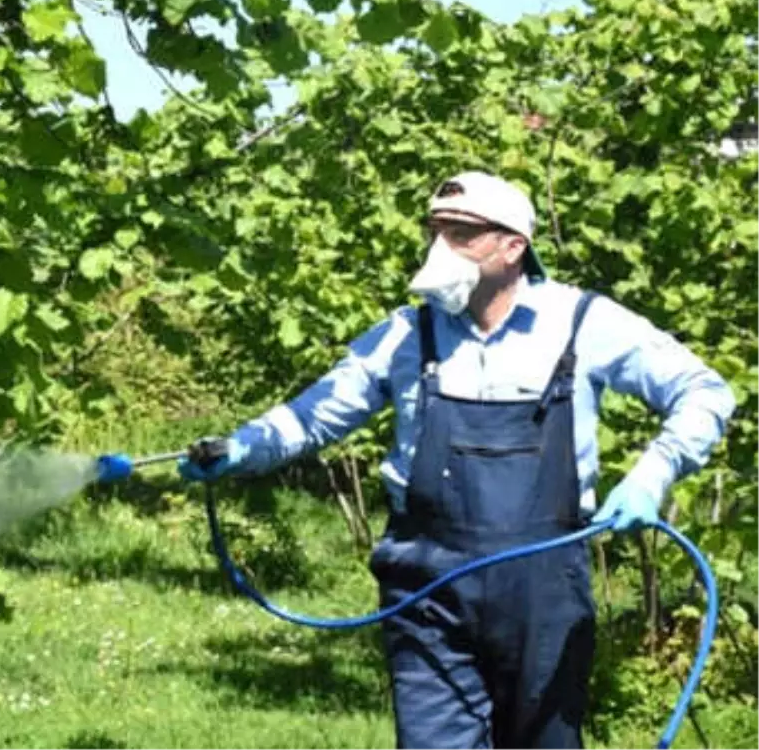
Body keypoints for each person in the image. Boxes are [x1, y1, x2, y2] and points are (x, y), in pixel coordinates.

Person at [177, 171, 736, 749]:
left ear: (513, 246)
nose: (440, 247)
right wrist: (242, 448)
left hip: (543, 591)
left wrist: (651, 476)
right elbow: (313, 415)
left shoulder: (582, 322)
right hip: (426, 587)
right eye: (436, 230)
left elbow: (704, 391)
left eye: (461, 234)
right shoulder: (406, 334)